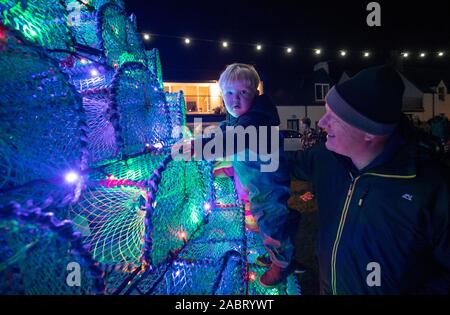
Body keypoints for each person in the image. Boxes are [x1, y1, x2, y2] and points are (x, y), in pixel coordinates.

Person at [288, 65, 450, 294]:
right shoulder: (327, 158)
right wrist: (233, 149)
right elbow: (283, 163)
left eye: (335, 118)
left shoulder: (432, 189)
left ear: (369, 132)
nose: (322, 123)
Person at [177, 63, 298, 287]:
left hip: (268, 183)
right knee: (267, 219)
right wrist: (199, 140)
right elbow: (225, 131)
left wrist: (200, 148)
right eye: (229, 93)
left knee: (270, 219)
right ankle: (282, 239)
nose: (236, 99)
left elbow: (233, 139)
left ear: (256, 93)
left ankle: (282, 263)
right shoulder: (238, 119)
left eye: (243, 92)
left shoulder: (257, 118)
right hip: (254, 179)